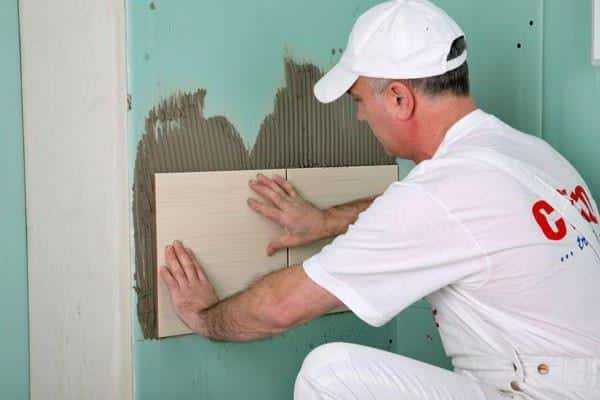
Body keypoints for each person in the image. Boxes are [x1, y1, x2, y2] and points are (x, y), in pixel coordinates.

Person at [159, 1, 600, 398]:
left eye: (358, 99)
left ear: (398, 98)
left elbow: (281, 307)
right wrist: (327, 221)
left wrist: (205, 317)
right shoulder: (529, 155)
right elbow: (442, 213)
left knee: (328, 375)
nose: (359, 115)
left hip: (540, 391)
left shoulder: (442, 194)